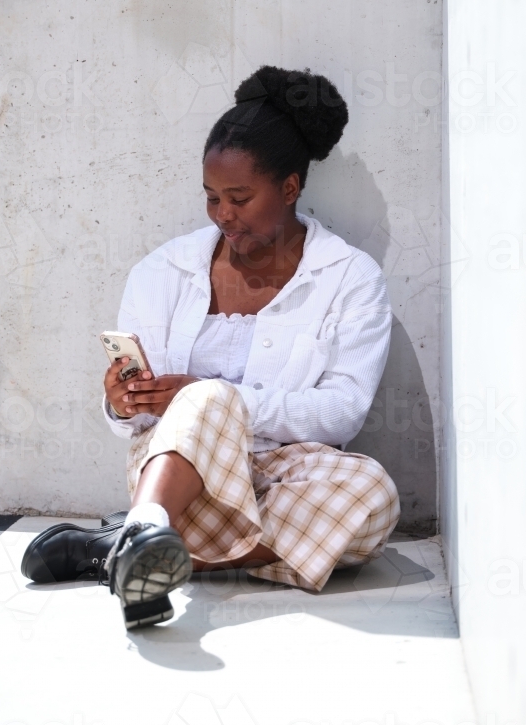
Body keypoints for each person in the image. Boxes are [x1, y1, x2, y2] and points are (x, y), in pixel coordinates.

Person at [23, 66, 399, 629]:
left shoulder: (350, 277)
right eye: (212, 197)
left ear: (291, 188)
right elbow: (136, 417)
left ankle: (128, 548)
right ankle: (151, 523)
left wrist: (224, 399)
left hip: (286, 474)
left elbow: (344, 411)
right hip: (178, 480)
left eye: (241, 198)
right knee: (206, 402)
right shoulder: (164, 270)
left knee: (373, 496)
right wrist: (123, 403)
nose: (224, 214)